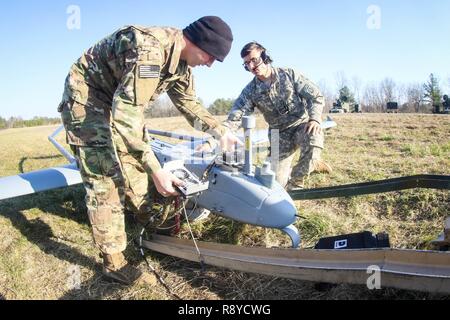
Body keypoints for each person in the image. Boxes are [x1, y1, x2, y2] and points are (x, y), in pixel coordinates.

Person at [58, 16, 239, 285]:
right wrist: (156, 169)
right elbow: (127, 113)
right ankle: (114, 263)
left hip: (120, 105)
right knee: (105, 179)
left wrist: (219, 130)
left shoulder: (181, 64)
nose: (210, 64)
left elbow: (189, 105)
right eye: (211, 56)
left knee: (134, 172)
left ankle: (154, 226)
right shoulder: (150, 52)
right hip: (87, 99)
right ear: (196, 41)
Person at [222, 42, 332, 190]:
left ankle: (296, 183)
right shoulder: (250, 91)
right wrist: (222, 132)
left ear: (265, 57)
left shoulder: (289, 75)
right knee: (273, 183)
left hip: (301, 125)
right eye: (247, 63)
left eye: (254, 59)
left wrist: (314, 119)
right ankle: (313, 163)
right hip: (278, 135)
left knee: (314, 137)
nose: (251, 66)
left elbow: (316, 97)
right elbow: (237, 114)